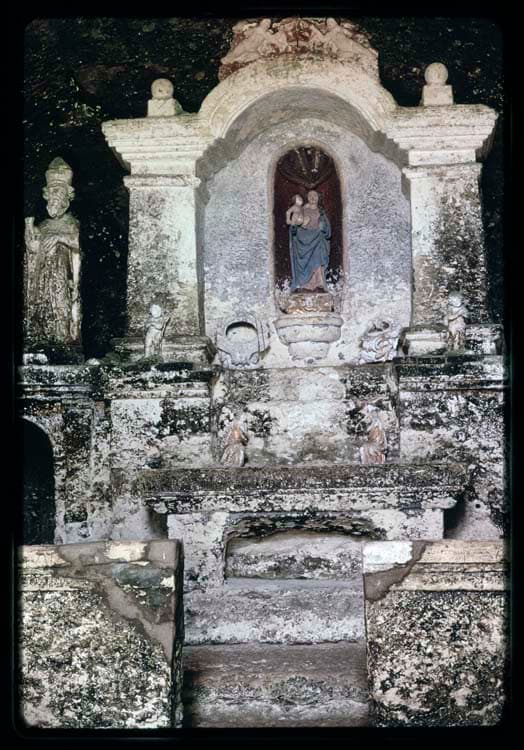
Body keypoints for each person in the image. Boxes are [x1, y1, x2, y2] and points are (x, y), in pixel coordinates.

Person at [25, 158, 81, 345]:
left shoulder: (72, 223)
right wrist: (31, 242)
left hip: (62, 278)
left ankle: (62, 339)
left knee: (60, 307)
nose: (53, 199)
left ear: (67, 198)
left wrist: (59, 238)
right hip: (42, 279)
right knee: (42, 307)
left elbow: (78, 245)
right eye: (51, 196)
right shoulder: (43, 225)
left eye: (58, 196)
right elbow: (33, 252)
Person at [288, 189, 331, 292]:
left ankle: (319, 283)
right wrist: (295, 226)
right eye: (310, 196)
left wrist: (323, 227)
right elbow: (293, 228)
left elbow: (328, 231)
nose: (313, 198)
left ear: (318, 198)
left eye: (315, 196)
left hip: (317, 240)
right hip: (303, 241)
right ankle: (304, 285)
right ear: (307, 198)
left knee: (318, 257)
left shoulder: (321, 212)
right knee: (304, 262)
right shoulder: (301, 210)